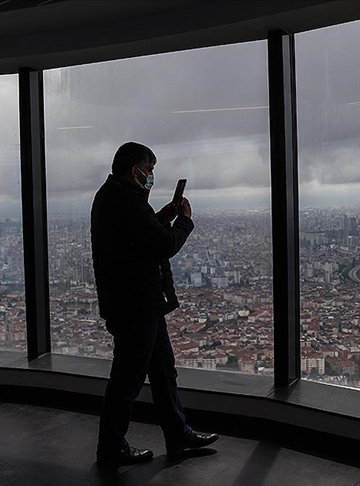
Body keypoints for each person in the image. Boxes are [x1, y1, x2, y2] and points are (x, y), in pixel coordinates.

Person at [92, 141, 218, 467]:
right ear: (135, 170)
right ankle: (111, 445)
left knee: (162, 371)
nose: (151, 176)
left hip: (140, 302)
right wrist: (185, 221)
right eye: (149, 170)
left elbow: (140, 237)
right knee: (129, 378)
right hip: (136, 304)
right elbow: (163, 244)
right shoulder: (126, 202)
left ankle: (178, 433)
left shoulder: (116, 197)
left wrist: (164, 213)